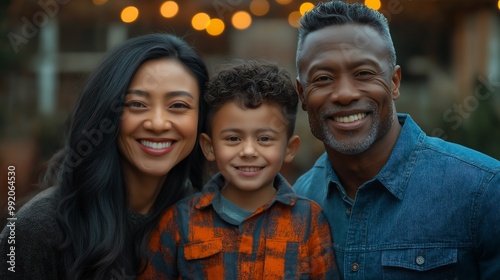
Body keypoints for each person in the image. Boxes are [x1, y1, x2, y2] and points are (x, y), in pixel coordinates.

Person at [293, 1, 500, 279]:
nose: (344, 93)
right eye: (323, 78)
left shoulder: (483, 191)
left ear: (394, 82)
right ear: (302, 94)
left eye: (364, 73)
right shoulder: (299, 200)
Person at [0, 33, 209, 279]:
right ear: (105, 114)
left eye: (178, 106)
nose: (158, 123)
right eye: (137, 104)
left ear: (201, 121)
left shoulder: (206, 222)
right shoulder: (40, 228)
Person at [139, 60, 339, 279]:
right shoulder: (180, 221)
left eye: (265, 138)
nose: (248, 151)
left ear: (290, 149)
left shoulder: (308, 220)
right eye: (233, 138)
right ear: (209, 147)